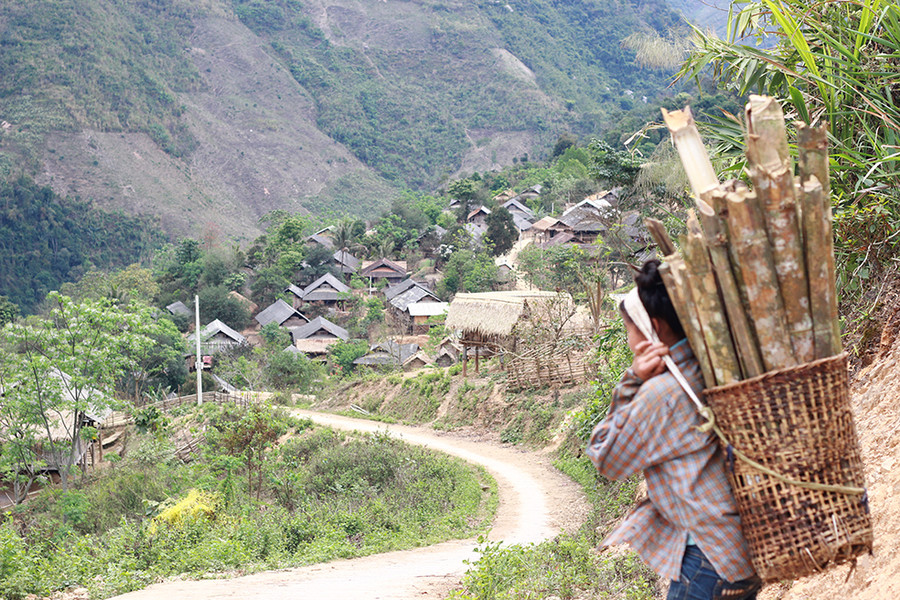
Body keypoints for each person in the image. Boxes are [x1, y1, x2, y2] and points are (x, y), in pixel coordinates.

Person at [586, 260, 760, 600]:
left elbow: (606, 457)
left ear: (651, 328)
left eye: (628, 329)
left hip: (708, 561)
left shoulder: (662, 394)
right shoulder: (713, 366)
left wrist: (632, 380)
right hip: (743, 552)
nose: (628, 338)